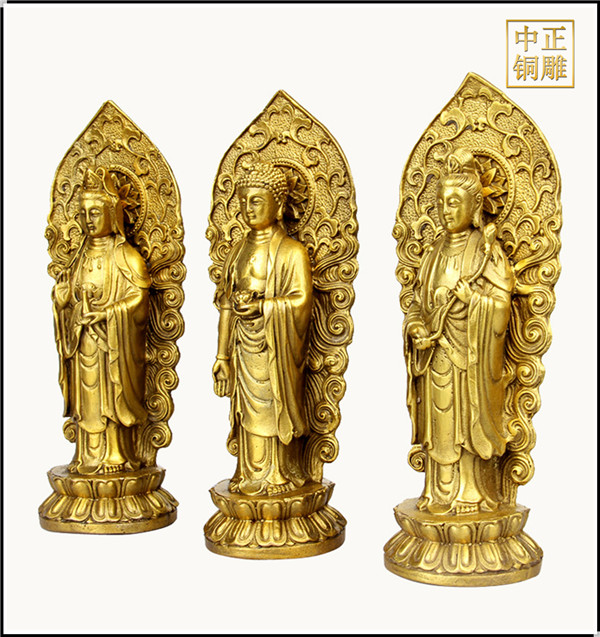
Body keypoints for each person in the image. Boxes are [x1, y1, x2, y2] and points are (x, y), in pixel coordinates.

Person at [405, 149, 515, 514]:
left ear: (475, 205)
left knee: (466, 425)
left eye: (455, 202)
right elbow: (417, 304)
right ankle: (437, 492)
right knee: (439, 428)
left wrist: (475, 302)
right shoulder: (433, 252)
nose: (446, 210)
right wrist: (416, 328)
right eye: (441, 203)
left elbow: (502, 305)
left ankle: (471, 494)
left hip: (470, 361)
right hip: (434, 358)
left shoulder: (486, 251)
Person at [212, 163, 312, 496]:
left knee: (274, 406)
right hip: (243, 347)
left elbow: (301, 302)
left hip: (277, 348)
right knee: (245, 413)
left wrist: (265, 307)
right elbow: (226, 304)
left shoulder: (293, 253)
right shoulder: (236, 252)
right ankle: (249, 473)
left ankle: (279, 474)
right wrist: (222, 356)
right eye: (243, 200)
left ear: (278, 205)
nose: (248, 208)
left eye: (257, 200)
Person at [53, 167, 150, 474]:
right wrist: (63, 301)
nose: (88, 220)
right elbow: (67, 296)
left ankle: (117, 455)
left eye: (95, 212)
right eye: (83, 214)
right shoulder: (78, 258)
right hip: (82, 344)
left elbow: (139, 300)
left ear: (112, 214)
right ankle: (86, 456)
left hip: (112, 347)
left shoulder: (125, 256)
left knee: (111, 397)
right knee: (86, 403)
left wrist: (108, 314)